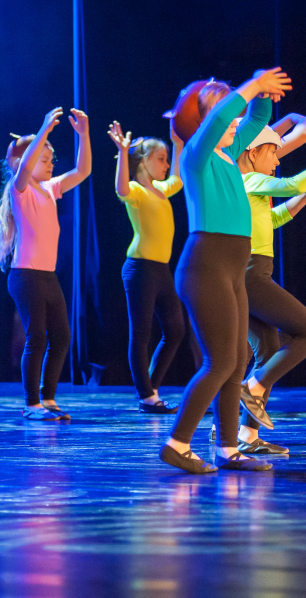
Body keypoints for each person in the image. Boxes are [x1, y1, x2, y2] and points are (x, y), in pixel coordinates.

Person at [159, 67, 292, 473]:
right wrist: (252, 85)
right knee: (218, 362)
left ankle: (228, 449)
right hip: (206, 264)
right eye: (224, 113)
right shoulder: (196, 155)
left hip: (232, 265)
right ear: (204, 120)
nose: (234, 120)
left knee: (235, 361)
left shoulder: (228, 156)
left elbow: (255, 119)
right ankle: (177, 443)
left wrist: (263, 97)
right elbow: (221, 119)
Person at [208, 119, 306, 453]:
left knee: (268, 348)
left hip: (251, 273)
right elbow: (291, 183)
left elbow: (276, 217)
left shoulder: (253, 186)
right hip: (251, 275)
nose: (277, 161)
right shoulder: (248, 179)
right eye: (273, 154)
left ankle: (246, 435)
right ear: (252, 154)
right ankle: (252, 385)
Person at [0, 107, 92, 421]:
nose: (50, 165)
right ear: (24, 162)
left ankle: (47, 398)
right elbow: (24, 168)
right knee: (37, 337)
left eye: (51, 160)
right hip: (26, 276)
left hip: (47, 276)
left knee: (61, 337)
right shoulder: (19, 189)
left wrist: (84, 135)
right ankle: (31, 403)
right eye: (43, 160)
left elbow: (82, 171)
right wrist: (44, 130)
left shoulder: (49, 188)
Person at [108, 121, 185, 413]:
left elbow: (178, 178)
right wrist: (122, 152)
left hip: (161, 270)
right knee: (141, 333)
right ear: (143, 162)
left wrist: (177, 143)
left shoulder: (162, 189)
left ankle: (150, 388)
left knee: (175, 330)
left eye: (167, 159)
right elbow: (121, 189)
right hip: (140, 269)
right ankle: (147, 396)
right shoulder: (137, 190)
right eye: (161, 159)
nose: (166, 164)